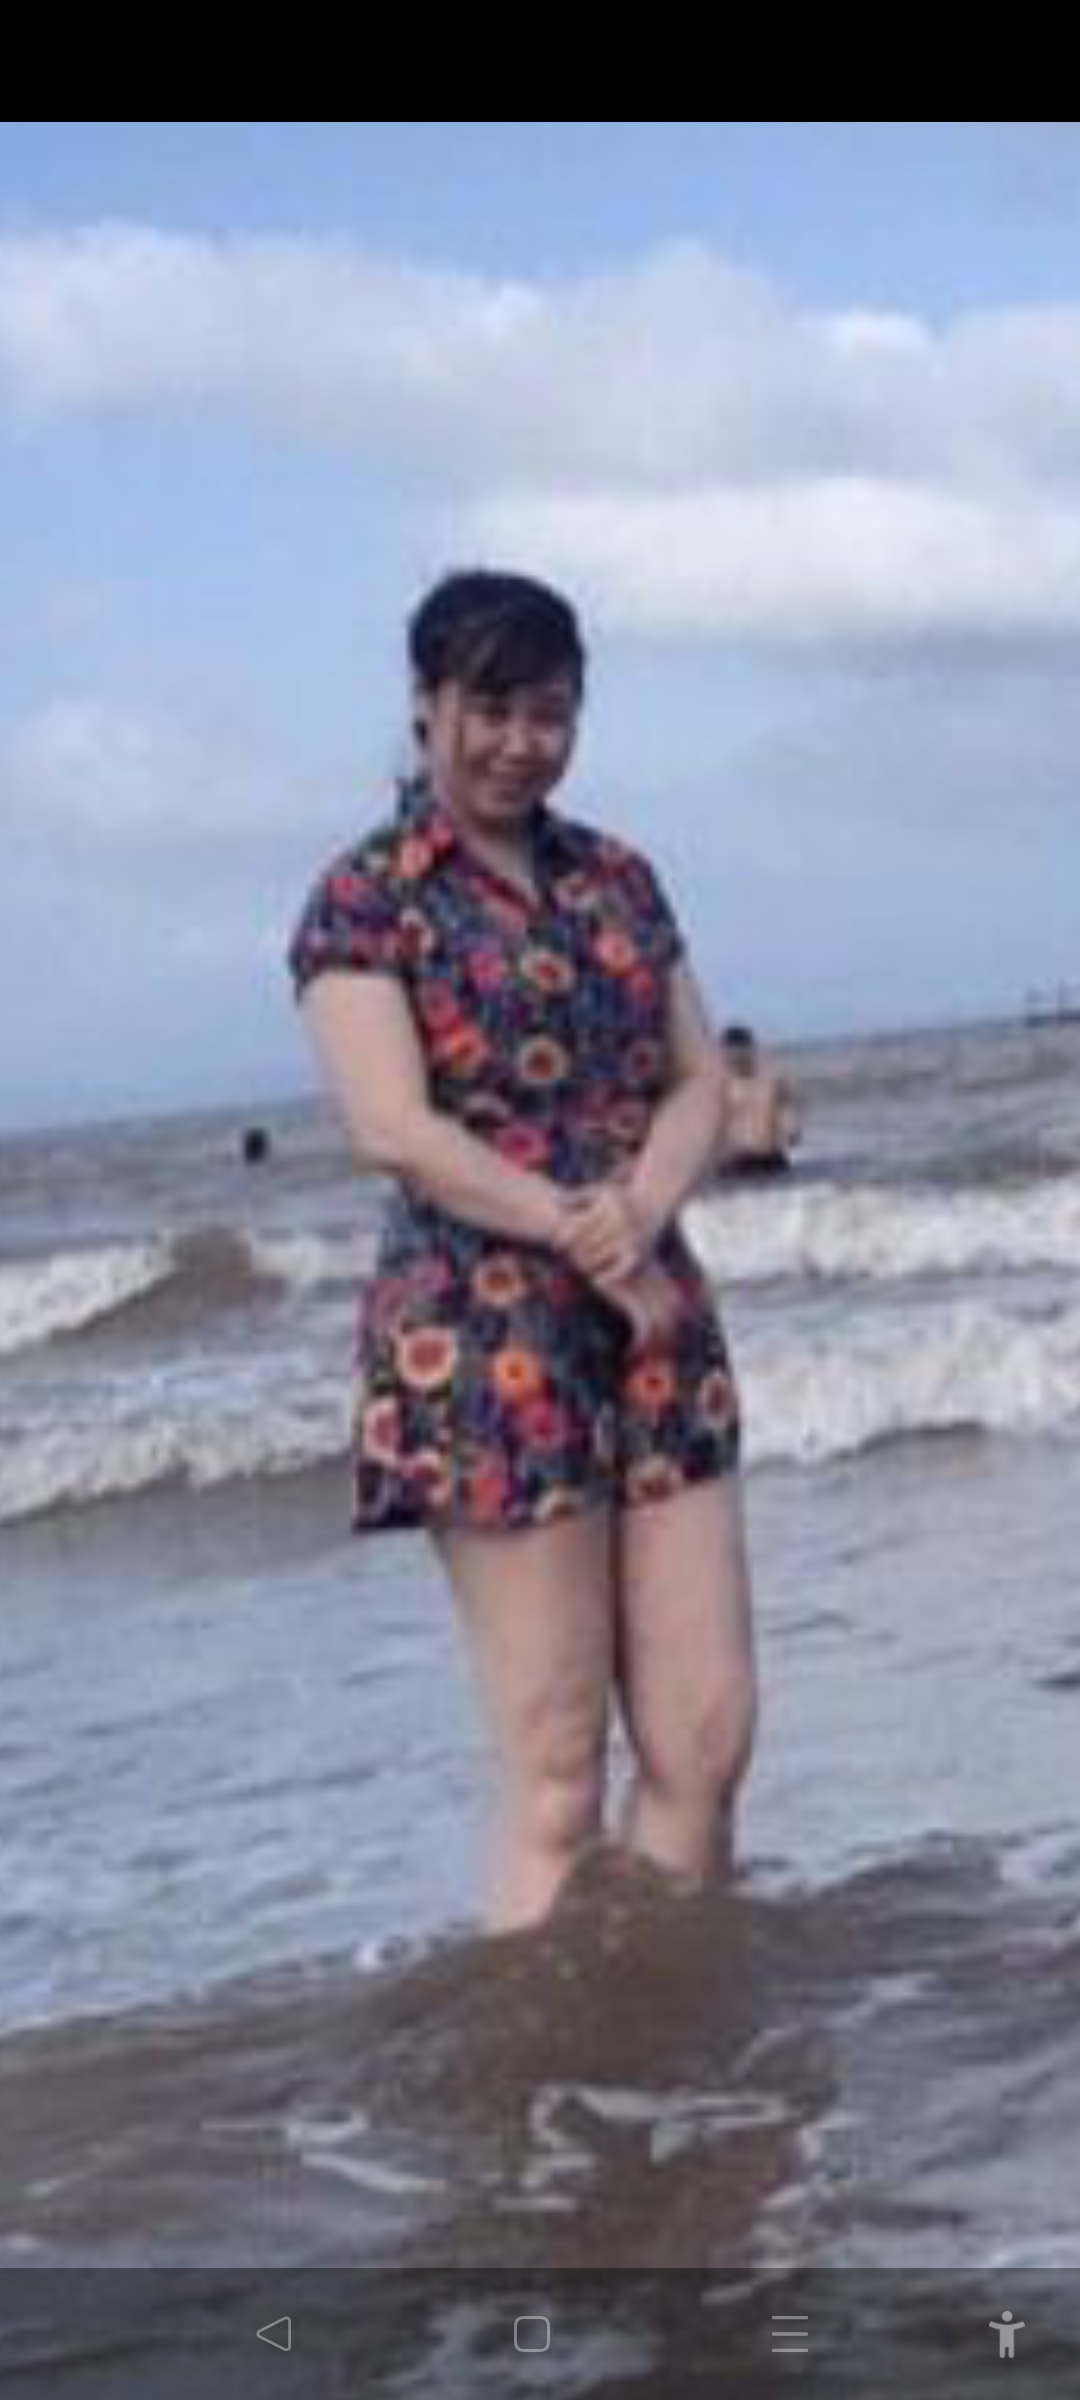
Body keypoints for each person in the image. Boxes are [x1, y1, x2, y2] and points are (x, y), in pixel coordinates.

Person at [288, 568, 755, 1931]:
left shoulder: (617, 878)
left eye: (548, 713)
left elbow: (699, 1079)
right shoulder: (366, 898)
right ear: (426, 704)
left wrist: (640, 1209)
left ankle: (668, 2020)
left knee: (708, 1732)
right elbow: (393, 1128)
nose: (518, 742)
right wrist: (570, 1223)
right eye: (488, 709)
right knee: (557, 1764)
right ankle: (544, 2053)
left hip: (653, 1311)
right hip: (483, 1335)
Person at [716, 1025, 802, 1178]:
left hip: (771, 1156)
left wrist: (792, 1129)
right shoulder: (719, 1085)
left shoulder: (772, 1080)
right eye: (730, 1052)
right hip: (735, 1161)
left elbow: (786, 1109)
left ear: (751, 1049)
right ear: (723, 1053)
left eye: (741, 1051)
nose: (736, 1057)